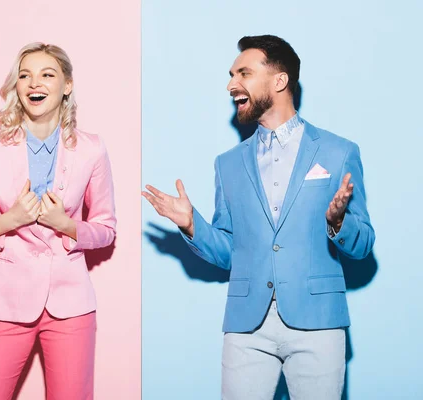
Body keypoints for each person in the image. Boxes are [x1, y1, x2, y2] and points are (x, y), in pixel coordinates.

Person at [142, 34, 375, 400]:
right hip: (247, 327)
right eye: (232, 75)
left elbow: (364, 246)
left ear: (279, 81)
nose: (231, 85)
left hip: (318, 321)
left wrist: (338, 222)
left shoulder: (339, 151)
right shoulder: (228, 164)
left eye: (244, 73)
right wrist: (191, 224)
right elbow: (227, 253)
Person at [0, 42, 116, 400]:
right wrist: (7, 221)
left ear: (66, 85)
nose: (34, 83)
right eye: (25, 75)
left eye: (47, 74)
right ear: (16, 85)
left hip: (72, 308)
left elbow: (106, 229)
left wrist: (67, 225)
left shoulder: (92, 148)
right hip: (4, 306)